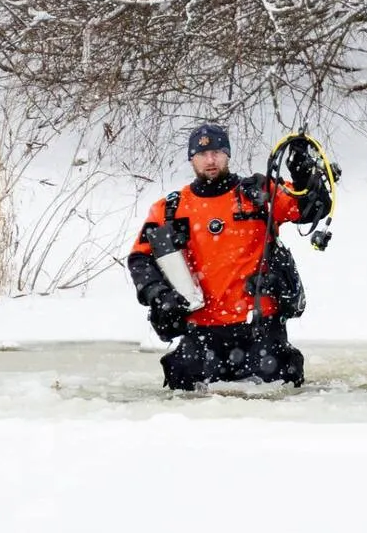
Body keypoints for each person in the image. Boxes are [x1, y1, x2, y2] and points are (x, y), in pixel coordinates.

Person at [127, 123, 322, 391]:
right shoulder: (171, 208)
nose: (210, 160)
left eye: (217, 152)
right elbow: (140, 259)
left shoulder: (258, 193)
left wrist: (304, 173)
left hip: (258, 328)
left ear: (227, 155)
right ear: (191, 158)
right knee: (183, 390)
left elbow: (311, 207)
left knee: (277, 391)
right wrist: (160, 295)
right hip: (202, 332)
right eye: (202, 153)